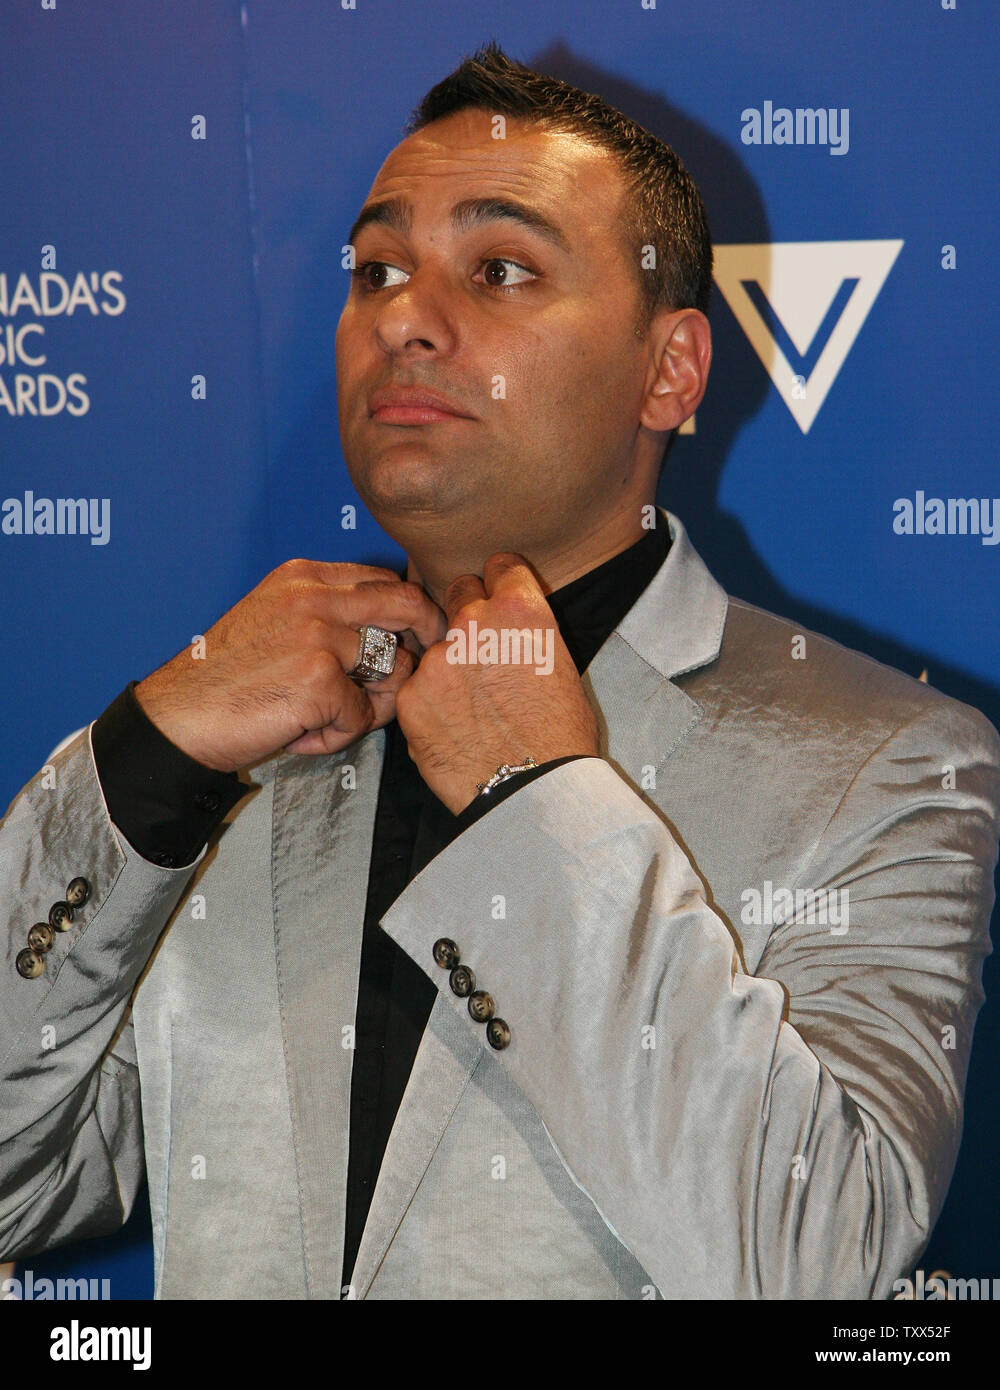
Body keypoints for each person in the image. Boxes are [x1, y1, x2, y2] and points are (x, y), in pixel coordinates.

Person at [1, 41, 998, 1301]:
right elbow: (13, 1182)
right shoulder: (231, 744)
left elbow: (815, 1268)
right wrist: (144, 757)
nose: (404, 315)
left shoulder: (884, 756)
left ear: (670, 369)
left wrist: (535, 797)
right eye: (375, 271)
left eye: (501, 268)